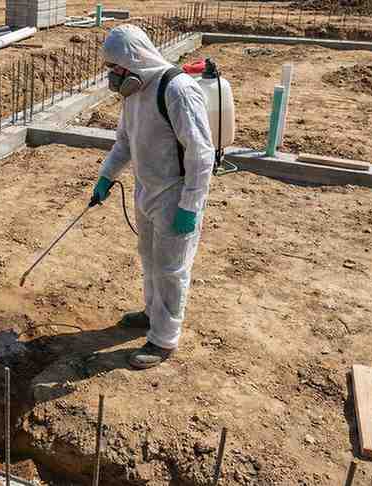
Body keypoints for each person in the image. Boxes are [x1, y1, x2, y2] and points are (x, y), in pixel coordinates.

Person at [90, 24, 215, 370]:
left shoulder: (177, 90)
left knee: (170, 269)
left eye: (115, 68)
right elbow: (124, 142)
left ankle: (164, 339)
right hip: (147, 190)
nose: (113, 76)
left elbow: (201, 154)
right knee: (149, 258)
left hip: (176, 195)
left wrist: (190, 205)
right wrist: (106, 176)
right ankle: (151, 313)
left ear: (134, 60)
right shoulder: (133, 93)